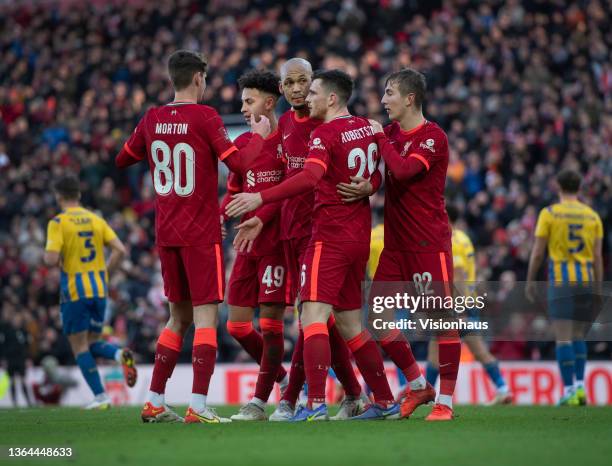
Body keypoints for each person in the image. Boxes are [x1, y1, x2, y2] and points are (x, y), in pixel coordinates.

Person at [226, 69, 399, 421]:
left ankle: (309, 402)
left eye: (310, 87)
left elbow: (307, 177)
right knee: (348, 324)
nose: (303, 93)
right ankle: (378, 399)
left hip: (323, 235)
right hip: (345, 235)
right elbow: (383, 166)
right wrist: (374, 183)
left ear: (328, 96)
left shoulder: (323, 132)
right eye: (288, 83)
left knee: (312, 318)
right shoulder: (365, 126)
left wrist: (260, 198)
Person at [115, 50, 271, 423]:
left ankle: (153, 399)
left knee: (177, 319)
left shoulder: (152, 117)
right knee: (203, 320)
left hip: (166, 231)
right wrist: (259, 137)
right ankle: (198, 406)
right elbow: (239, 164)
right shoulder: (206, 116)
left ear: (173, 79)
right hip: (200, 232)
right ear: (199, 77)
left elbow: (123, 158)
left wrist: (156, 148)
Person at [368, 68, 460, 421]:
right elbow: (380, 170)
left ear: (409, 98)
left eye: (389, 93)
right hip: (395, 245)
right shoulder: (390, 133)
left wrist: (380, 141)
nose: (383, 100)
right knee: (377, 318)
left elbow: (404, 170)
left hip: (427, 243)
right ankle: (419, 384)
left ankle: (446, 403)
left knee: (441, 320)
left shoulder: (433, 136)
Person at [220, 69, 289, 421]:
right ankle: (284, 377)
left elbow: (292, 189)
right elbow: (234, 187)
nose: (244, 109)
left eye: (249, 101)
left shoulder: (287, 140)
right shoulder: (245, 144)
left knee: (271, 326)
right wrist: (223, 213)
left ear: (269, 102)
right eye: (242, 102)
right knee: (237, 326)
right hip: (247, 243)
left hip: (277, 244)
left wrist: (262, 216)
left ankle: (261, 402)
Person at [43, 174, 135, 410]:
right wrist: (104, 273)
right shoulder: (96, 219)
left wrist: (53, 256)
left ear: (58, 196)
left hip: (75, 291)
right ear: (79, 195)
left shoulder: (58, 222)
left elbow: (50, 258)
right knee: (93, 341)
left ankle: (101, 397)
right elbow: (120, 250)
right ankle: (118, 354)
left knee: (79, 346)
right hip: (99, 289)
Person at [526, 169, 603, 406]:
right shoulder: (592, 216)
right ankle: (580, 388)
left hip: (560, 279)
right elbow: (598, 257)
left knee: (563, 338)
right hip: (585, 280)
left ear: (558, 187)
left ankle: (569, 390)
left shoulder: (549, 213)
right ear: (579, 188)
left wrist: (530, 280)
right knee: (579, 335)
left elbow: (538, 252)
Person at [425, 204, 512, 405]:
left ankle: (427, 393)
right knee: (473, 348)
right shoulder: (464, 238)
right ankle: (502, 387)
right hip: (466, 302)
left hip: (455, 305)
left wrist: (460, 308)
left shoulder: (451, 240)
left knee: (438, 347)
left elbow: (460, 275)